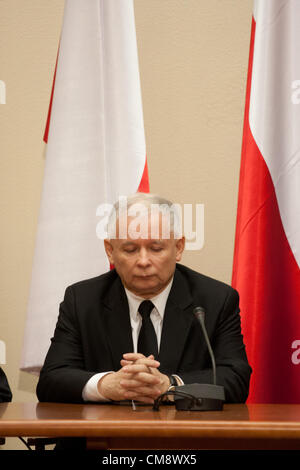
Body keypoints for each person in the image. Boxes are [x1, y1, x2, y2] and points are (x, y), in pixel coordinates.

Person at [37, 193, 251, 405]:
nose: (143, 261)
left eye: (156, 248)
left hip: (184, 437)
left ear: (178, 248)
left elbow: (236, 379)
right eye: (130, 250)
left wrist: (170, 386)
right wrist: (106, 384)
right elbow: (51, 380)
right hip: (101, 436)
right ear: (110, 251)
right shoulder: (82, 301)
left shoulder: (214, 300)